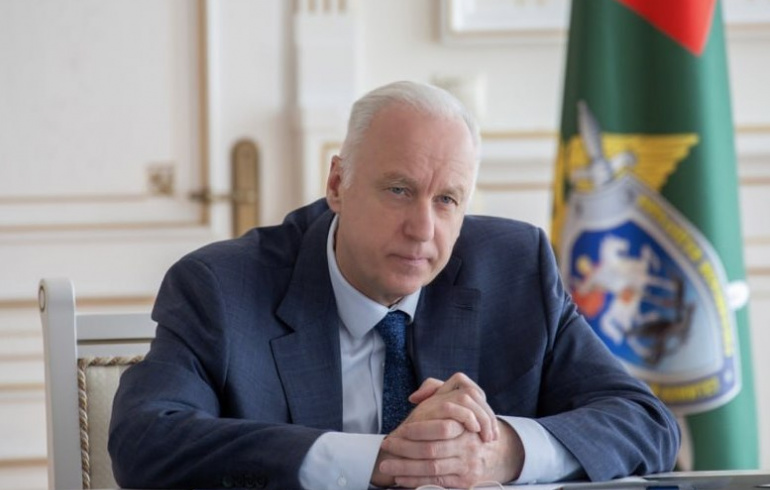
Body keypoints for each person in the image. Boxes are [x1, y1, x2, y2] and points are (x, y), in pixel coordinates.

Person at [109, 81, 680, 490]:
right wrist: (380, 461)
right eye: (399, 191)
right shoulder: (221, 287)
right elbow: (146, 443)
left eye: (447, 199)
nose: (422, 229)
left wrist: (501, 451)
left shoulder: (515, 267)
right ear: (338, 183)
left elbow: (646, 423)